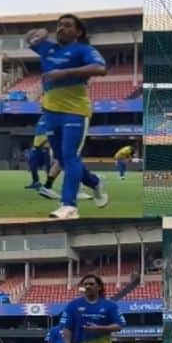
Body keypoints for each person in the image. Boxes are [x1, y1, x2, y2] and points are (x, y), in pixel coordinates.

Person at [25, 14, 109, 219]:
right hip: (51, 112)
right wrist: (39, 33)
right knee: (61, 158)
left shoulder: (83, 49)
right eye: (59, 25)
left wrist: (64, 73)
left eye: (67, 25)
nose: (61, 28)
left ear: (78, 32)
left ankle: (69, 206)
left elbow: (100, 68)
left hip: (75, 111)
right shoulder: (48, 48)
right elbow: (29, 39)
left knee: (70, 156)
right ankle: (95, 182)